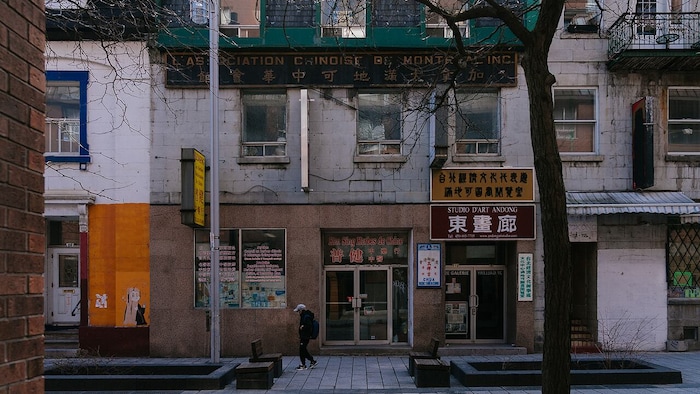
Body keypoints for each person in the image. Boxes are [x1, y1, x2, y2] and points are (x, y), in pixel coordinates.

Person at [293, 303, 317, 370]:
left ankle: (303, 365)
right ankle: (311, 361)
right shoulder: (306, 315)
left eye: (298, 311)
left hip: (305, 336)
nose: (298, 313)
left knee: (302, 350)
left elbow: (309, 326)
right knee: (303, 349)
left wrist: (303, 327)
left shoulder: (306, 316)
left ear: (301, 310)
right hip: (304, 336)